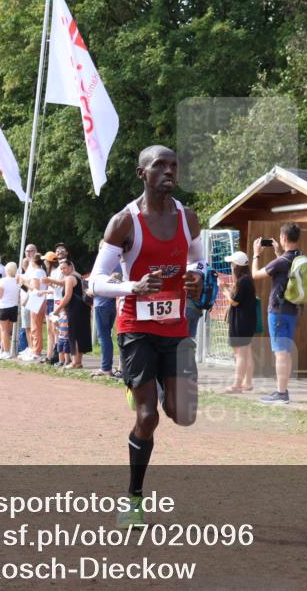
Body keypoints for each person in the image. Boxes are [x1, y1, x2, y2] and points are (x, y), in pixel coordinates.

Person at [88, 144, 204, 528]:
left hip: (176, 327)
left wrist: (197, 275)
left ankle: (146, 387)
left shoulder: (189, 218)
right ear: (143, 173)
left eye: (174, 165)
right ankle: (134, 500)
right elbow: (96, 282)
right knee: (148, 415)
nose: (169, 171)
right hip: (136, 327)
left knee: (182, 414)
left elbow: (198, 261)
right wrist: (132, 287)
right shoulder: (124, 222)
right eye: (160, 165)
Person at [252, 222, 304, 405]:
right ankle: (282, 390)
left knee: (281, 353)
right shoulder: (299, 258)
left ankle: (281, 393)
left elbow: (255, 274)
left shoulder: (282, 261)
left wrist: (256, 254)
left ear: (283, 238)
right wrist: (277, 253)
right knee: (285, 351)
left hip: (278, 312)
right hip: (291, 310)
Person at [222, 250, 257, 393]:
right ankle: (247, 383)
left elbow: (234, 301)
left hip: (241, 323)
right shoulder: (247, 279)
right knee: (246, 353)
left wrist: (223, 290)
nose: (231, 265)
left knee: (240, 354)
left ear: (237, 265)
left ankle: (237, 385)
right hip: (246, 322)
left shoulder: (243, 281)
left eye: (232, 263)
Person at [91, 241, 120, 377]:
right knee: (108, 335)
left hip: (102, 303)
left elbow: (97, 286)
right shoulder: (119, 263)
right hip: (112, 303)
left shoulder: (103, 266)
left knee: (103, 336)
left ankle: (106, 368)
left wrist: (90, 290)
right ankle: (110, 366)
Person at [20, 246, 49, 360]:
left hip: (36, 301)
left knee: (35, 327)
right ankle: (35, 349)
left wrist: (24, 282)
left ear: (33, 262)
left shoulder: (37, 272)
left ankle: (36, 351)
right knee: (35, 326)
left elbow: (34, 288)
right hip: (40, 300)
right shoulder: (41, 271)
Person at [0, 262, 20, 360]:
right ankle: (4, 350)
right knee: (7, 331)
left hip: (4, 307)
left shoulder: (3, 281)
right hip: (14, 307)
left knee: (4, 330)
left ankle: (6, 351)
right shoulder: (18, 281)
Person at [42, 250, 60, 363]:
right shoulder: (50, 273)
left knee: (55, 329)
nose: (44, 262)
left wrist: (49, 285)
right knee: (50, 329)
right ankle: (49, 354)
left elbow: (57, 289)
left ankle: (56, 353)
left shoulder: (56, 272)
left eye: (45, 261)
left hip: (54, 301)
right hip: (49, 301)